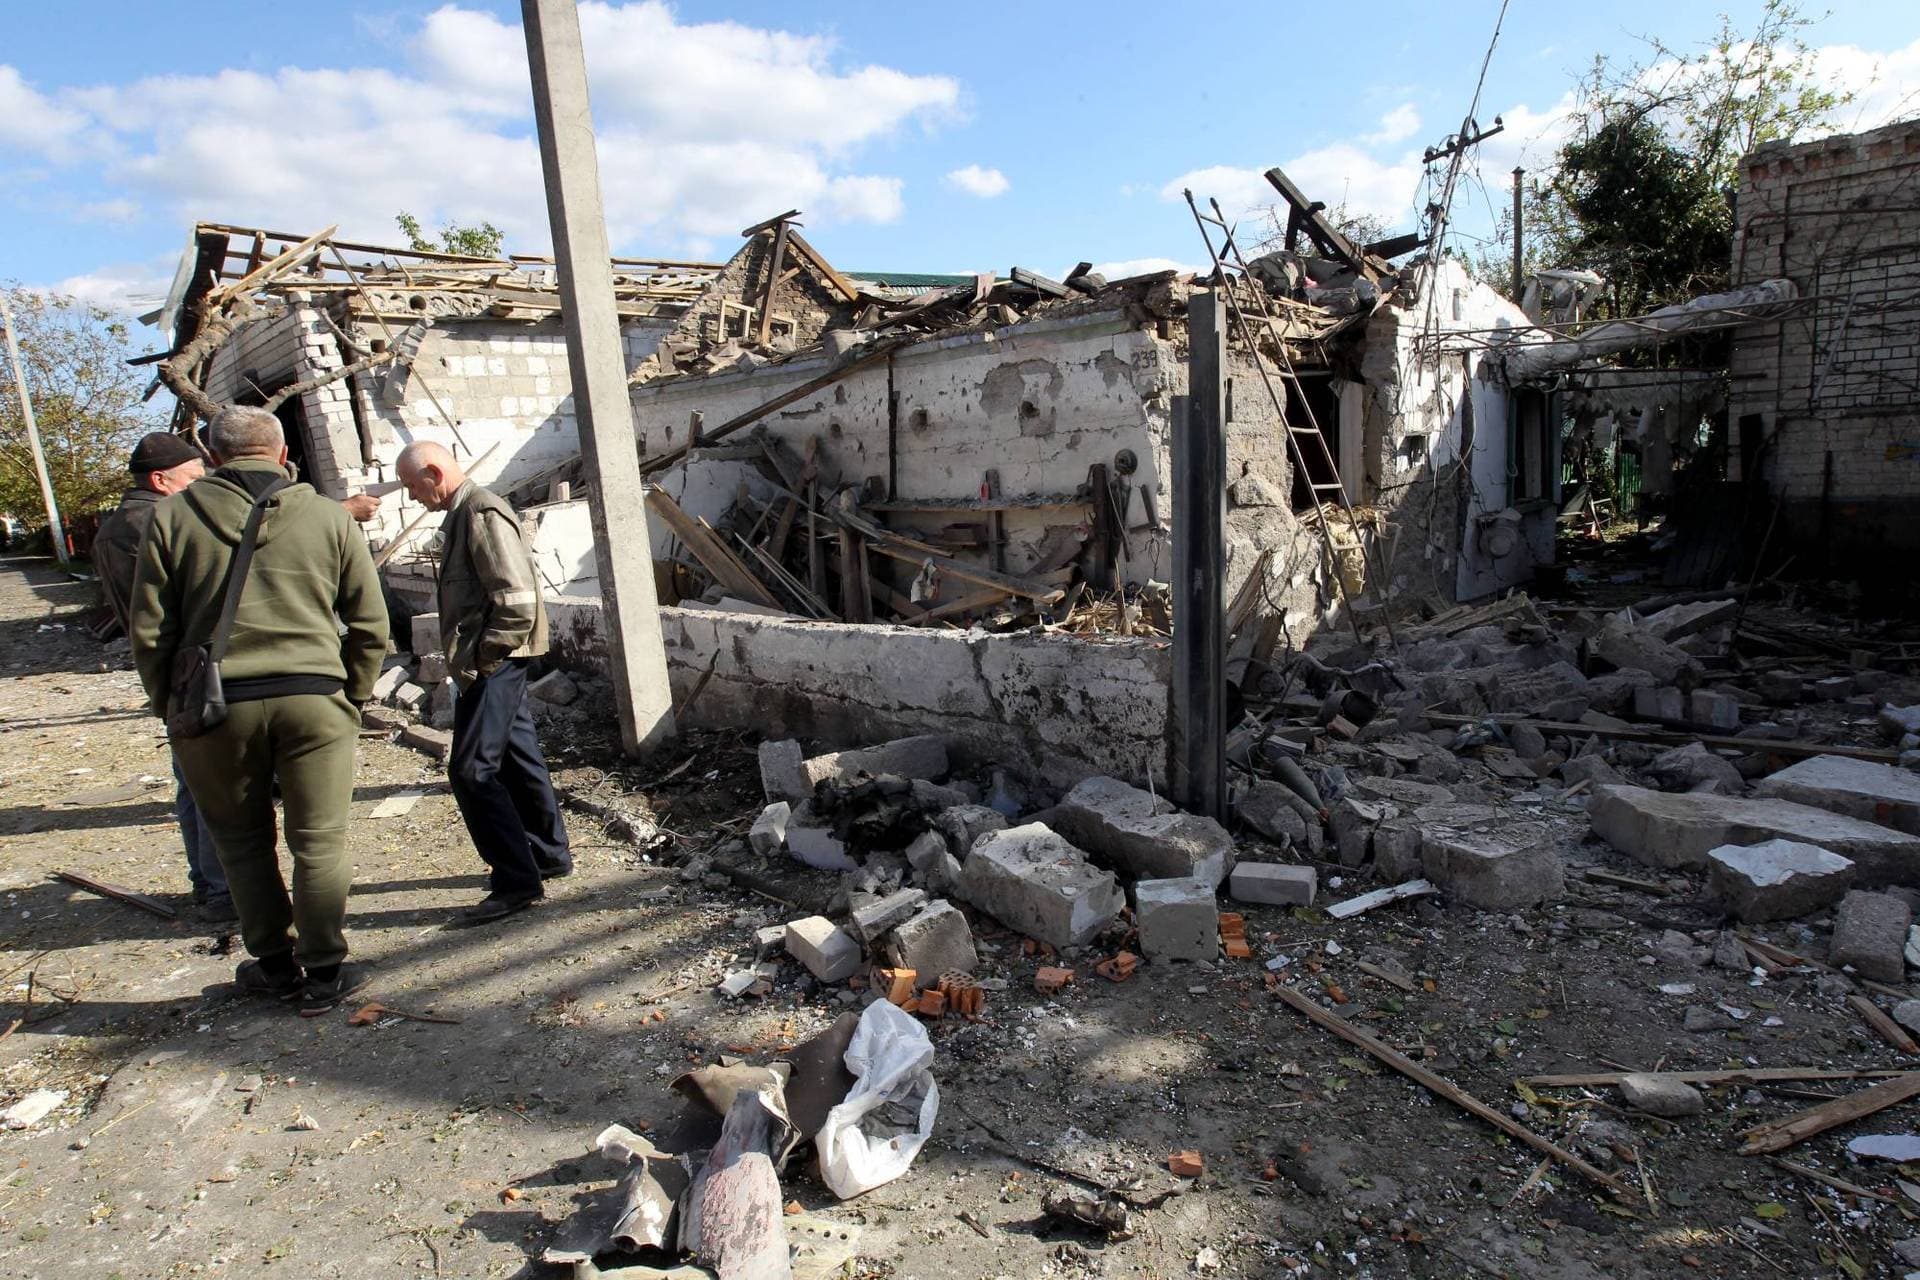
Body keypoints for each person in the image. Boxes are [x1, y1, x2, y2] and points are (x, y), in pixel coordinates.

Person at [130, 406, 389, 1013]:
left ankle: (274, 966)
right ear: (280, 453)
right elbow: (369, 622)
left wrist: (169, 706)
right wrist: (352, 693)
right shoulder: (328, 517)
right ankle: (325, 973)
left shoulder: (172, 518)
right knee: (320, 841)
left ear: (214, 458)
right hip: (314, 700)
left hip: (218, 707)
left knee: (241, 843)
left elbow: (151, 634)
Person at [395, 440, 571, 924]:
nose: (412, 498)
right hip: (494, 657)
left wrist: (481, 658)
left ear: (434, 472)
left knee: (472, 771)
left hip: (495, 658)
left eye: (413, 486)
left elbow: (514, 602)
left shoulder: (480, 511)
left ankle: (515, 881)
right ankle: (548, 853)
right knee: (518, 755)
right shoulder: (462, 513)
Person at [95, 433, 234, 919]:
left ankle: (206, 882)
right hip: (193, 670)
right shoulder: (159, 520)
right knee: (216, 785)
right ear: (161, 480)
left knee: (193, 781)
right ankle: (222, 892)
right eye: (194, 478)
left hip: (170, 671)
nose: (200, 488)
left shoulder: (114, 527)